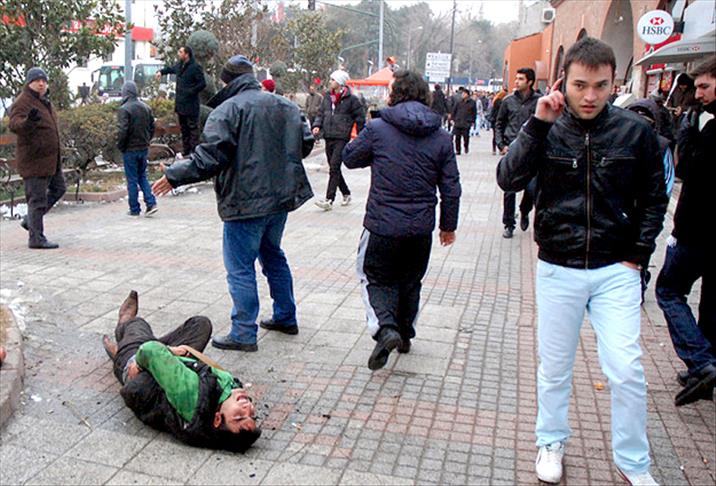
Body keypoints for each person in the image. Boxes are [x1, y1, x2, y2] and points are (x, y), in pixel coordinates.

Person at [497, 37, 667, 486]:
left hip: (616, 269)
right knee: (555, 368)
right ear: (563, 82)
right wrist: (538, 124)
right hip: (559, 266)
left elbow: (655, 197)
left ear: (614, 83)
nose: (590, 96)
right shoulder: (547, 125)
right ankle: (550, 441)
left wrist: (638, 255)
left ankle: (634, 463)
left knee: (626, 370)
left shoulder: (635, 132)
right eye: (580, 85)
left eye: (600, 86)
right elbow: (508, 178)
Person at [152, 54, 314, 352]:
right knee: (273, 255)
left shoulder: (227, 111)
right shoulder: (287, 106)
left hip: (245, 202)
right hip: (279, 200)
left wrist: (174, 175)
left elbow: (209, 157)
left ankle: (243, 332)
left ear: (226, 81)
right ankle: (285, 316)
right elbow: (304, 144)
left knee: (240, 267)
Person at [342, 70, 461, 370]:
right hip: (420, 227)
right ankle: (405, 334)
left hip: (381, 225)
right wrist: (448, 226)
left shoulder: (378, 128)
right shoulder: (441, 136)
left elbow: (350, 157)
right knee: (410, 280)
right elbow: (451, 187)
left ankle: (386, 329)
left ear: (395, 94)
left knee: (374, 277)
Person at [102, 290, 261, 451]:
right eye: (252, 415)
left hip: (137, 367)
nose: (247, 408)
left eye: (239, 416)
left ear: (217, 419)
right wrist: (171, 352)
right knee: (200, 324)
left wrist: (167, 351)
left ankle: (123, 339)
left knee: (137, 325)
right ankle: (142, 347)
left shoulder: (192, 397)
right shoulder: (224, 399)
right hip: (177, 364)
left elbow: (149, 350)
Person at [655, 56, 716, 407]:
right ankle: (703, 372)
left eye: (705, 86)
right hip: (700, 229)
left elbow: (689, 167)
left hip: (696, 230)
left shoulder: (706, 125)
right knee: (711, 306)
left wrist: (688, 132)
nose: (699, 94)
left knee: (669, 290)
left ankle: (701, 361)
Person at [9, 67, 66, 249]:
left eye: (44, 80)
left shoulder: (44, 101)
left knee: (59, 188)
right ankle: (36, 238)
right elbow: (15, 124)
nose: (41, 84)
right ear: (29, 83)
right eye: (37, 80)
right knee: (37, 199)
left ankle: (31, 220)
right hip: (34, 160)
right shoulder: (23, 101)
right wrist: (29, 122)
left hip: (50, 160)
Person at [495, 68, 541, 239]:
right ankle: (508, 224)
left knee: (532, 188)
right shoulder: (508, 101)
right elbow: (499, 123)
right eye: (516, 78)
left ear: (530, 82)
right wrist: (501, 144)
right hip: (512, 149)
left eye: (521, 79)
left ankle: (524, 209)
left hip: (533, 151)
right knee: (509, 189)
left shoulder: (539, 101)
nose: (516, 81)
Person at [312, 69, 365, 211]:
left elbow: (360, 118)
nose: (330, 82)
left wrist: (361, 137)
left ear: (340, 82)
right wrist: (317, 125)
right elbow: (321, 113)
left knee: (334, 166)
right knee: (333, 167)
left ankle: (329, 199)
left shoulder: (352, 100)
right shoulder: (327, 97)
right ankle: (346, 193)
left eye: (333, 80)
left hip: (342, 137)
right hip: (328, 135)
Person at [117, 81, 158, 217]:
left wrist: (121, 146)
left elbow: (123, 131)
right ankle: (151, 203)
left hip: (130, 149)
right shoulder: (146, 108)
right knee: (142, 176)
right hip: (143, 147)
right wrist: (147, 140)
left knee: (132, 179)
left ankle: (134, 208)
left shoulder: (124, 109)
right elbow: (152, 127)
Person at [156, 46, 206, 156]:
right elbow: (171, 69)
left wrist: (191, 91)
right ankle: (186, 151)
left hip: (191, 105)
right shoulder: (180, 66)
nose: (179, 54)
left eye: (181, 52)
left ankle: (194, 152)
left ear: (187, 54)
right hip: (181, 104)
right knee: (184, 129)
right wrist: (161, 72)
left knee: (193, 129)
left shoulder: (195, 67)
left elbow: (202, 84)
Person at [450, 88, 476, 155]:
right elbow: (454, 111)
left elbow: (474, 113)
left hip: (466, 122)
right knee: (457, 137)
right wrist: (452, 119)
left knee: (466, 137)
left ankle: (466, 146)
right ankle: (458, 150)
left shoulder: (472, 102)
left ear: (467, 94)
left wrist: (473, 121)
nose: (462, 95)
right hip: (458, 122)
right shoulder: (459, 102)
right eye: (462, 93)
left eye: (464, 93)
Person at [489, 88, 507, 155]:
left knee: (495, 135)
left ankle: (494, 149)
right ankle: (500, 149)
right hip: (499, 121)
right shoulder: (500, 102)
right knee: (500, 135)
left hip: (495, 121)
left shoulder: (495, 101)